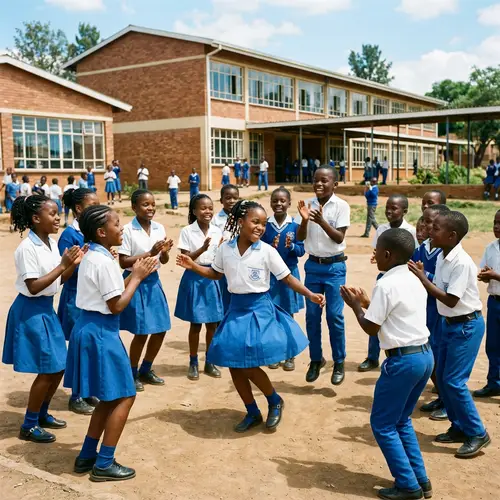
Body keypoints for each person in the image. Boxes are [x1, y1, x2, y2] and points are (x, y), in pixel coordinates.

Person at [176, 200, 324, 433]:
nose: (260, 227)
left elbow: (287, 278)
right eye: (255, 222)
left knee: (250, 364)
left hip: (259, 310)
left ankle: (274, 400)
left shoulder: (267, 251)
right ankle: (252, 411)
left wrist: (310, 294)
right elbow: (215, 273)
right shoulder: (225, 249)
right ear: (240, 222)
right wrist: (193, 266)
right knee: (234, 364)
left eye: (263, 224)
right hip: (235, 310)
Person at [64, 205, 157, 481]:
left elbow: (112, 290)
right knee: (125, 396)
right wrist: (137, 278)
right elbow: (116, 304)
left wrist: (133, 273)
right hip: (101, 332)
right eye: (118, 224)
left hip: (92, 328)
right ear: (102, 232)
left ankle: (87, 455)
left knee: (109, 396)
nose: (123, 228)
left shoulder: (97, 255)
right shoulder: (103, 261)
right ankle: (104, 463)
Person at [341, 229, 434, 500]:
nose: (374, 254)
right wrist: (368, 303)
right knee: (401, 421)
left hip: (403, 361)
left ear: (387, 254)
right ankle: (420, 479)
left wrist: (356, 306)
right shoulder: (414, 276)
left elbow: (371, 326)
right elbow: (397, 313)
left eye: (376, 250)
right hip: (424, 356)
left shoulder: (386, 283)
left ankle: (408, 485)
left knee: (382, 424)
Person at [409, 211, 491, 458]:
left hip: (465, 326)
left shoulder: (461, 262)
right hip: (450, 324)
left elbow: (451, 299)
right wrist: (427, 274)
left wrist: (423, 278)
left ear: (452, 236)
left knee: (454, 381)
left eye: (435, 229)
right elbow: (442, 285)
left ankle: (478, 432)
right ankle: (458, 426)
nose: (429, 231)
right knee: (444, 378)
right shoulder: (445, 256)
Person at [2, 195, 82, 443]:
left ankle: (42, 413)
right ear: (36, 219)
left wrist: (73, 264)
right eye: (53, 214)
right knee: (48, 369)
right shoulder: (27, 248)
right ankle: (28, 424)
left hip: (46, 309)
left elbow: (58, 281)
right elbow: (34, 286)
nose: (58, 217)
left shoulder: (52, 242)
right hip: (31, 310)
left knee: (59, 366)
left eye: (58, 213)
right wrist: (63, 265)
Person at [296, 166, 350, 386]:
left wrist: (321, 221)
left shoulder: (342, 206)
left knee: (334, 316)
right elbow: (300, 237)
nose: (319, 184)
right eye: (315, 180)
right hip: (313, 267)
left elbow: (339, 238)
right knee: (311, 315)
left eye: (324, 181)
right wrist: (305, 220)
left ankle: (339, 361)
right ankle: (316, 360)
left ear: (334, 184)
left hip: (335, 267)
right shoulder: (307, 204)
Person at [118, 190, 173, 392]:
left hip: (153, 282)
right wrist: (150, 252)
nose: (150, 208)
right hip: (135, 281)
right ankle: (131, 372)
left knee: (160, 328)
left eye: (152, 204)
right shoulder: (128, 230)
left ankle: (146, 368)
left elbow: (163, 261)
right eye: (144, 204)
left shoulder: (159, 228)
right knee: (141, 331)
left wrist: (164, 253)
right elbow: (123, 261)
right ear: (134, 207)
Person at [358, 194, 418, 372]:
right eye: (387, 208)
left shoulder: (412, 232)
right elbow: (378, 251)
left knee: (397, 318)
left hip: (403, 278)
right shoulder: (381, 229)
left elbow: (413, 256)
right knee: (375, 314)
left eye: (394, 208)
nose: (389, 211)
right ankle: (372, 357)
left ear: (404, 211)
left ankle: (399, 354)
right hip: (383, 276)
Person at [58, 188, 100, 415]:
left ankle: (86, 390)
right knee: (78, 346)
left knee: (89, 345)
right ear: (79, 209)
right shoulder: (69, 235)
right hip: (75, 297)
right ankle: (75, 395)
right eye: (92, 205)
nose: (97, 208)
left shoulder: (93, 231)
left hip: (91, 296)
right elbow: (66, 270)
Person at [174, 194, 225, 380]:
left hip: (211, 278)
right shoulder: (187, 231)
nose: (207, 211)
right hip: (194, 278)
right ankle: (193, 361)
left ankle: (209, 361)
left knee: (212, 323)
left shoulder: (218, 230)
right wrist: (203, 249)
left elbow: (220, 256)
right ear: (194, 211)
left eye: (210, 208)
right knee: (196, 324)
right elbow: (185, 258)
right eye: (203, 208)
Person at [412, 204, 450, 422]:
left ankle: (448, 401)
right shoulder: (422, 248)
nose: (427, 226)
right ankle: (441, 395)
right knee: (429, 352)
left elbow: (442, 282)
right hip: (423, 307)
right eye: (425, 221)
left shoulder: (444, 251)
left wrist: (422, 273)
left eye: (432, 223)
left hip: (438, 309)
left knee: (438, 356)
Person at [262, 187, 305, 372]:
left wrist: (292, 246)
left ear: (289, 203)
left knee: (288, 314)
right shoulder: (265, 225)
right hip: (270, 276)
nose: (278, 204)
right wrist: (267, 247)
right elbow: (258, 247)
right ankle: (275, 353)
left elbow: (302, 250)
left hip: (288, 275)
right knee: (271, 314)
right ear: (270, 203)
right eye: (275, 201)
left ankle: (290, 354)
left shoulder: (294, 226)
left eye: (282, 201)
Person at [474, 209, 500, 398]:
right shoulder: (491, 247)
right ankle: (494, 383)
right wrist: (485, 275)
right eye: (494, 223)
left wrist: (494, 275)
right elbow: (484, 272)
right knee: (493, 346)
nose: (496, 227)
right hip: (495, 301)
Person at [212, 184, 240, 313]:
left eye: (235, 198)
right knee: (222, 298)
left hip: (240, 263)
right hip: (222, 263)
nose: (232, 201)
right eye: (228, 198)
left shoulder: (243, 217)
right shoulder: (215, 220)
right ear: (221, 200)